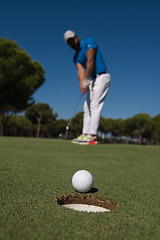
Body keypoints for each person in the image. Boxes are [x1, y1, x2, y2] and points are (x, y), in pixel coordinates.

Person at [64, 30, 111, 145]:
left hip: (102, 76)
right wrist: (82, 84)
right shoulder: (76, 57)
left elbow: (90, 61)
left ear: (77, 37)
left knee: (94, 105)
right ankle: (85, 134)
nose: (72, 43)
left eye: (72, 40)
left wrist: (86, 80)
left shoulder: (89, 42)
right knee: (86, 106)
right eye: (69, 42)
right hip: (92, 79)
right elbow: (80, 70)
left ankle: (92, 136)